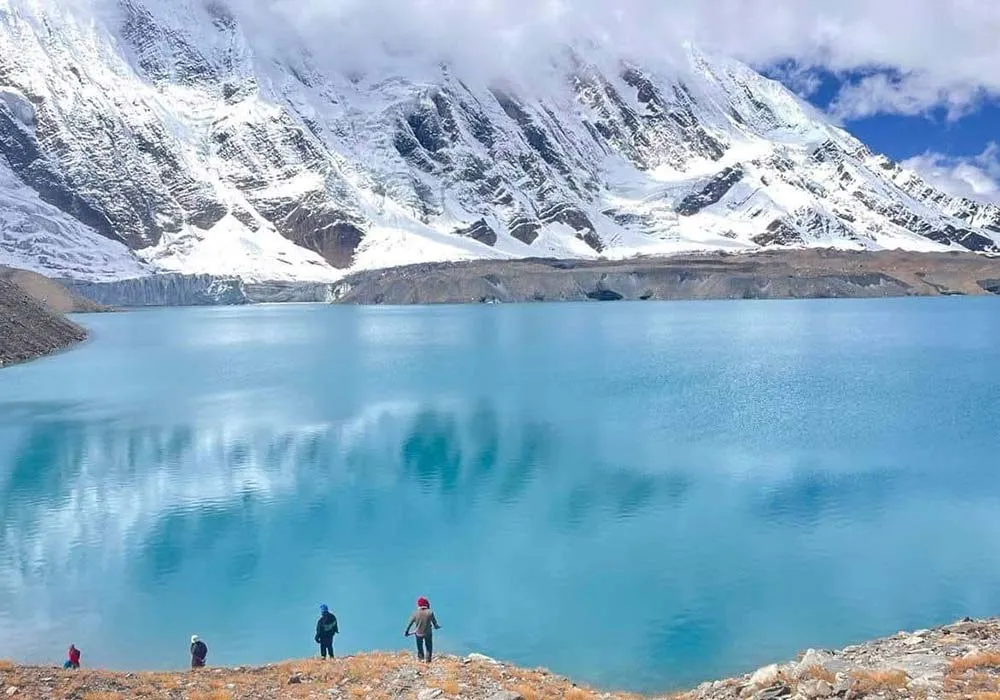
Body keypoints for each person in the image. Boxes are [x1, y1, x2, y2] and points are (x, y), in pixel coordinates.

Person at [404, 597, 441, 663]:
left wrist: (406, 632)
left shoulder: (415, 613)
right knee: (429, 648)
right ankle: (428, 661)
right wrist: (437, 627)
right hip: (428, 633)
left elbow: (410, 624)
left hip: (418, 634)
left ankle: (420, 660)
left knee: (420, 647)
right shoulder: (430, 612)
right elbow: (435, 623)